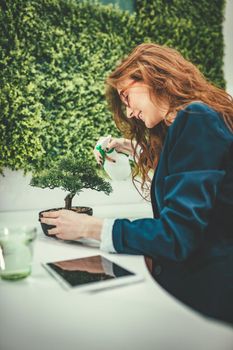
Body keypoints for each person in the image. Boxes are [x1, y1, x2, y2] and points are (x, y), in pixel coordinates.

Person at [41, 43, 233, 306]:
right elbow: (184, 165)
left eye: (126, 96)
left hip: (208, 293)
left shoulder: (196, 117)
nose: (129, 112)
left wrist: (90, 227)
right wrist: (127, 146)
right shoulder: (193, 121)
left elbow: (176, 236)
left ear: (149, 75)